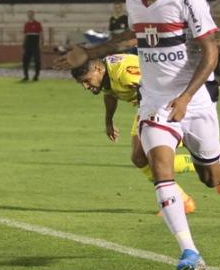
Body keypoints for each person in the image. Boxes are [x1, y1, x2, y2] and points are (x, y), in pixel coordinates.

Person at [54, 0, 220, 270]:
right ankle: (189, 252)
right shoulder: (135, 2)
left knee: (211, 177)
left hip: (194, 100)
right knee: (160, 171)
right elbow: (133, 37)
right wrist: (88, 52)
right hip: (153, 103)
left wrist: (186, 97)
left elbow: (211, 53)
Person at [70, 53, 198, 214]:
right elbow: (110, 95)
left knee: (156, 159)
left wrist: (141, 94)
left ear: (97, 69)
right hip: (148, 108)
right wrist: (108, 122)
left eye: (86, 81)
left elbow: (149, 83)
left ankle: (214, 164)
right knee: (139, 158)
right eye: (82, 83)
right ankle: (183, 198)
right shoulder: (105, 74)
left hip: (165, 105)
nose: (86, 87)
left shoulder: (123, 71)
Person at [22, 10, 43, 82]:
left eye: (31, 14)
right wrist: (23, 44)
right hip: (28, 42)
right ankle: (26, 76)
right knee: (25, 60)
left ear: (33, 14)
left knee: (37, 60)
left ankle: (36, 76)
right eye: (28, 14)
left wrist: (40, 43)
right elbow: (25, 35)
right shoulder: (26, 24)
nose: (29, 15)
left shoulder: (37, 23)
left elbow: (40, 34)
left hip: (35, 42)